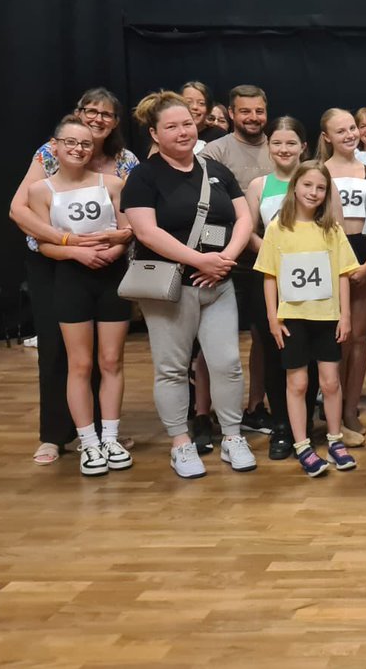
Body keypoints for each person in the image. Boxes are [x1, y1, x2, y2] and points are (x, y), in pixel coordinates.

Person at [121, 91, 256, 479]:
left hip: (219, 282)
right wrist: (199, 260)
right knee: (172, 368)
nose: (182, 132)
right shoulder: (143, 177)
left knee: (227, 363)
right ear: (154, 132)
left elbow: (243, 218)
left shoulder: (215, 169)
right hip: (171, 286)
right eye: (172, 126)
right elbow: (146, 232)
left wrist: (225, 259)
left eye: (186, 124)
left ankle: (232, 436)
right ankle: (180, 443)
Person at [9, 87, 139, 466]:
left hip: (108, 264)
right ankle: (55, 435)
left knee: (108, 356)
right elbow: (19, 211)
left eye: (107, 114)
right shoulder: (50, 152)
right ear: (78, 114)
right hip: (57, 263)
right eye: (91, 111)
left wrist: (112, 246)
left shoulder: (123, 161)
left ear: (116, 122)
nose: (97, 119)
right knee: (57, 349)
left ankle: (101, 434)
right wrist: (69, 244)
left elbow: (130, 219)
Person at [255, 161, 361, 477]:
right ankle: (302, 444)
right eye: (307, 185)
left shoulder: (332, 229)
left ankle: (335, 439)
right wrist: (274, 318)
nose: (313, 192)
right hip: (293, 319)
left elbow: (343, 274)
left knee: (330, 382)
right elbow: (269, 276)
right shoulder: (277, 228)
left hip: (327, 317)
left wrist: (345, 315)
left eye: (320, 188)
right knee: (298, 382)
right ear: (295, 187)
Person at [202, 85, 276, 438]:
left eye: (259, 111)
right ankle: (205, 413)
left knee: (266, 337)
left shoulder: (277, 146)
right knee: (213, 342)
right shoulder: (215, 151)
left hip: (269, 258)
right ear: (231, 113)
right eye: (245, 111)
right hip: (225, 256)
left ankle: (255, 407)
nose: (253, 118)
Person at [244, 116, 310, 459]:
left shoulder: (315, 180)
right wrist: (272, 254)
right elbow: (249, 231)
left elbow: (334, 227)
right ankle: (281, 426)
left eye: (291, 143)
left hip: (312, 281)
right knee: (274, 352)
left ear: (303, 146)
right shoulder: (259, 185)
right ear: (269, 147)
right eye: (277, 143)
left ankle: (306, 424)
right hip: (270, 278)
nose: (284, 149)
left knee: (309, 351)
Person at [318, 107, 366, 446]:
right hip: (331, 255)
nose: (349, 135)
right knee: (335, 338)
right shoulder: (319, 171)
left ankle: (352, 408)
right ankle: (332, 408)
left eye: (352, 128)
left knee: (358, 337)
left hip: (364, 255)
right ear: (327, 137)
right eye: (340, 131)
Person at [180, 81, 227, 151]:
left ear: (208, 109)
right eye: (188, 102)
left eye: (201, 103)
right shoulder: (172, 132)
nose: (195, 107)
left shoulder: (220, 136)